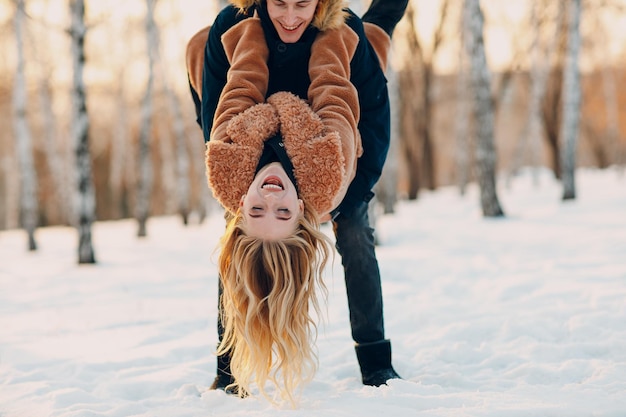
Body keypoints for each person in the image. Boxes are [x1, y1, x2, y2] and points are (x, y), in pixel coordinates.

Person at [186, 0, 408, 403]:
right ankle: (228, 370)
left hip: (335, 98)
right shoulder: (231, 27)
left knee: (353, 227)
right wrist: (339, 189)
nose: (290, 17)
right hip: (316, 133)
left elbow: (374, 117)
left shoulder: (237, 174)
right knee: (244, 244)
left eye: (302, 4)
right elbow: (213, 114)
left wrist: (354, 195)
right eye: (280, 4)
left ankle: (376, 362)